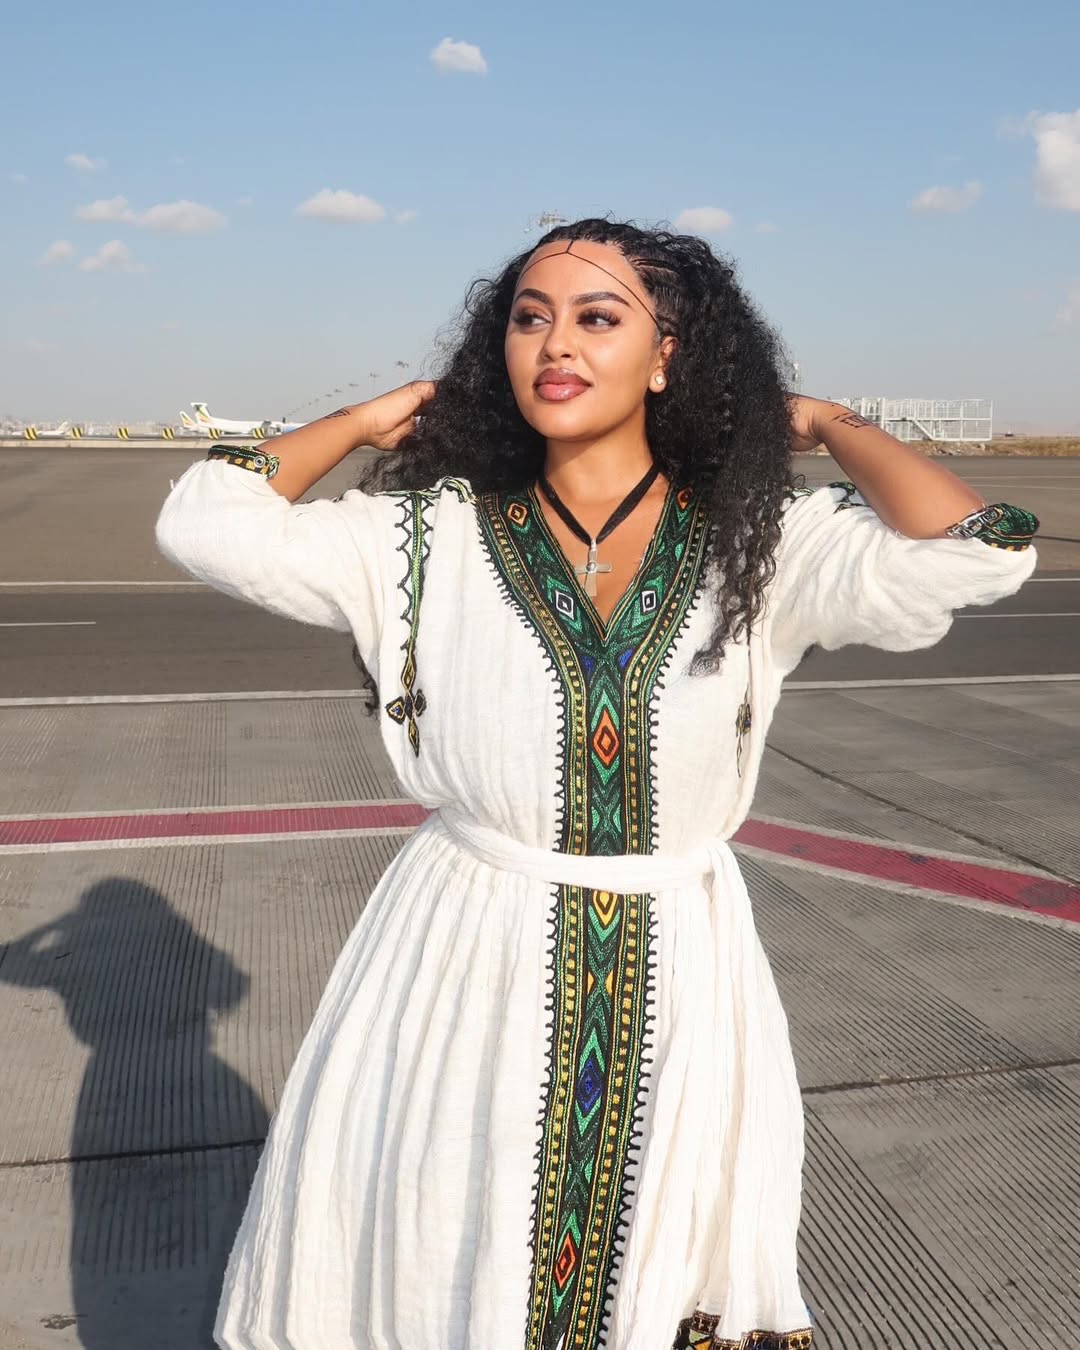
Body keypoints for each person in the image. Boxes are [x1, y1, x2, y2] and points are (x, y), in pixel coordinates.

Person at [156, 219, 1039, 1350]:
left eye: (597, 317)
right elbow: (207, 518)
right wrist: (371, 418)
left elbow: (982, 544)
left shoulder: (758, 543)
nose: (554, 344)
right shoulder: (428, 536)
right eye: (528, 318)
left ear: (670, 355)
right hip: (464, 954)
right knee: (450, 1230)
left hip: (680, 965)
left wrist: (821, 422)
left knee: (650, 1261)